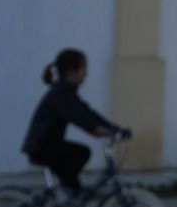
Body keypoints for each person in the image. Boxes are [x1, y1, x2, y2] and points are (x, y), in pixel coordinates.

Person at [20, 48, 121, 197]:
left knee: (73, 185)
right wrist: (94, 129)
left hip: (49, 146)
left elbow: (87, 112)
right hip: (41, 147)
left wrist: (114, 128)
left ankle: (61, 206)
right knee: (81, 153)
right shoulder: (59, 94)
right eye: (83, 68)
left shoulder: (67, 91)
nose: (86, 73)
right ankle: (62, 196)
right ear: (71, 72)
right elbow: (77, 116)